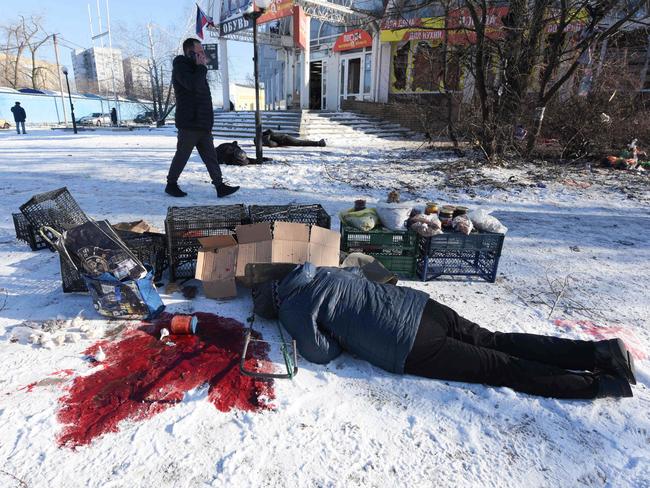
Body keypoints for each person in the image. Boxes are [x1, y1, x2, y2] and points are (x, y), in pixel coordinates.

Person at [252, 263, 637, 400]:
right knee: (495, 340)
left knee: (498, 367)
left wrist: (337, 333)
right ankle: (599, 353)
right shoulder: (322, 271)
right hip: (422, 308)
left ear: (274, 303)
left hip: (407, 343)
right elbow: (359, 277)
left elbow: (322, 353)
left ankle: (599, 386)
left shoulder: (293, 310)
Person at [165, 38, 239, 198]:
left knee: (211, 156)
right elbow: (193, 85)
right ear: (189, 53)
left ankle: (220, 185)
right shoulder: (181, 68)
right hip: (189, 124)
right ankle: (171, 184)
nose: (203, 56)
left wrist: (209, 122)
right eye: (199, 52)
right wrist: (201, 68)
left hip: (203, 124)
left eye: (202, 52)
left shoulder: (196, 69)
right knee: (182, 156)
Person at [256, 128, 326, 148]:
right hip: (285, 137)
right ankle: (318, 143)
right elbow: (270, 130)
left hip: (285, 139)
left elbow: (274, 144)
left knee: (301, 143)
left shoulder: (266, 140)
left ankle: (319, 143)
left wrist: (270, 143)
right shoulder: (267, 136)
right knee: (301, 142)